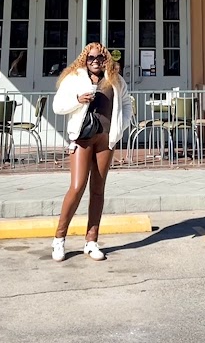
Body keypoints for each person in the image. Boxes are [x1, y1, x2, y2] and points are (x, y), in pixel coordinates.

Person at [51, 42, 131, 261]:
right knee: (77, 187)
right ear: (84, 60)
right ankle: (59, 239)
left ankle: (91, 241)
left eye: (100, 58)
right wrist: (78, 100)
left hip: (105, 139)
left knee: (98, 189)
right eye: (91, 58)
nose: (96, 62)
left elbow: (126, 103)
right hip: (82, 138)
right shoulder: (75, 78)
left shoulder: (115, 79)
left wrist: (120, 126)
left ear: (106, 59)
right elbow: (57, 106)